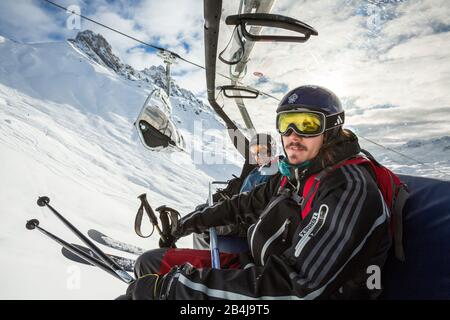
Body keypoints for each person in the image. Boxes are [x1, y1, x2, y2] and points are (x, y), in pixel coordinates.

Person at [123, 85, 392, 300]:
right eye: (286, 123)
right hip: (255, 269)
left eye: (307, 125)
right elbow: (243, 205)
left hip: (281, 289)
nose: (292, 135)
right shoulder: (297, 174)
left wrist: (174, 290)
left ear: (332, 128)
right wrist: (188, 224)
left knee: (161, 288)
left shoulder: (349, 190)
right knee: (150, 264)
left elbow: (299, 289)